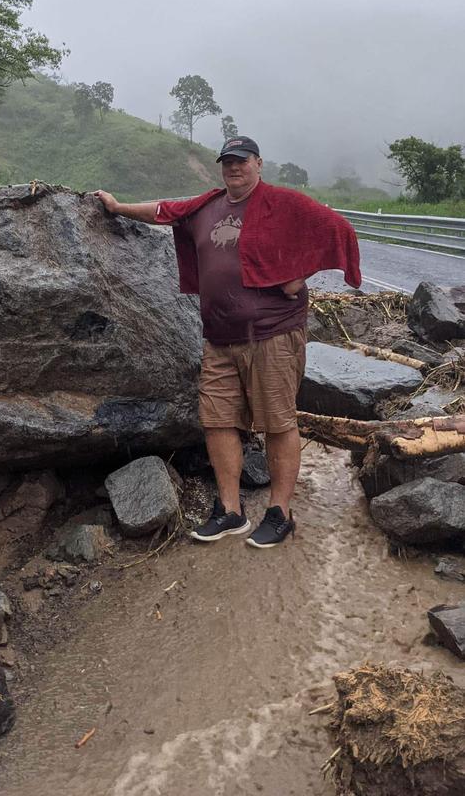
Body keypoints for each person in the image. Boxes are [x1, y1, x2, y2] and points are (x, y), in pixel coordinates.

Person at [93, 135, 361, 548]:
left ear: (258, 163)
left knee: (278, 422)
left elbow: (337, 229)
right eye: (227, 162)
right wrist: (117, 206)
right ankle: (230, 510)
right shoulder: (208, 205)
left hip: (271, 335)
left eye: (242, 161)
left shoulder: (282, 202)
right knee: (217, 421)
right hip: (218, 338)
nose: (234, 168)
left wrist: (301, 273)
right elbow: (165, 211)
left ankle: (279, 513)